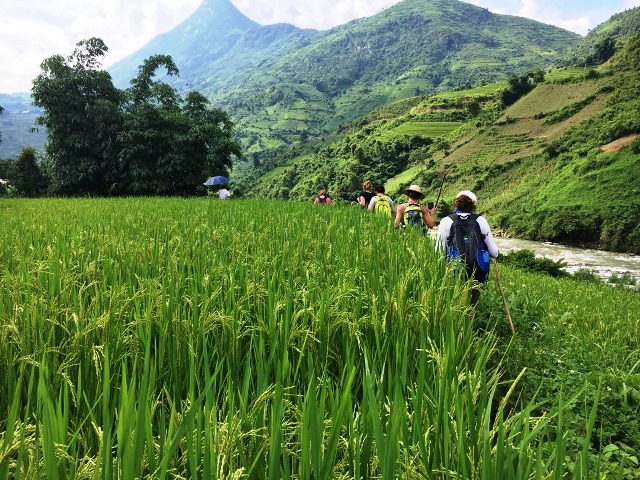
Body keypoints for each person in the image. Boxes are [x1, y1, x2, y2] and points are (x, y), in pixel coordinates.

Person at [437, 190, 499, 306]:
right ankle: (472, 307)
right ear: (473, 205)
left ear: (456, 203)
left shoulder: (446, 221)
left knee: (456, 294)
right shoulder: (481, 221)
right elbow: (494, 252)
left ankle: (457, 309)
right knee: (477, 282)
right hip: (478, 270)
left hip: (455, 270)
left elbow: (439, 252)